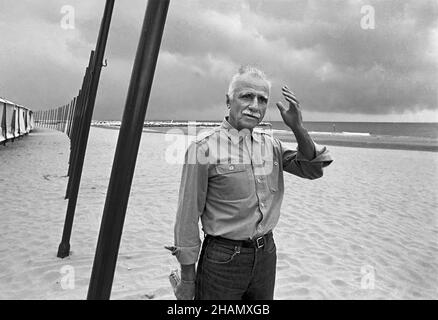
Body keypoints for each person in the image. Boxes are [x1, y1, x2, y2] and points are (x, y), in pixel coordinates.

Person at [166, 66, 333, 300]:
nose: (255, 106)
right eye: (246, 96)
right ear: (228, 100)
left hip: (266, 254)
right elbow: (186, 217)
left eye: (262, 100)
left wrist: (297, 127)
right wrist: (187, 279)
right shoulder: (203, 149)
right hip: (222, 258)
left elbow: (312, 168)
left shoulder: (271, 145)